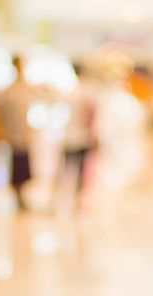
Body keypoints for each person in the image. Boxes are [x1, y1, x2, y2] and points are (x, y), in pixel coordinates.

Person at [0, 55, 34, 208]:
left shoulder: (25, 88)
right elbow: (2, 113)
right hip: (13, 132)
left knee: (24, 163)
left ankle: (22, 191)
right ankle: (16, 191)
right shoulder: (9, 91)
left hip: (24, 133)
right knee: (17, 162)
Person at [61, 62, 98, 203]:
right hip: (80, 136)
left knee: (70, 166)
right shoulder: (86, 92)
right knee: (80, 166)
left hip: (75, 135)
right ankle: (77, 192)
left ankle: (72, 191)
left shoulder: (73, 92)